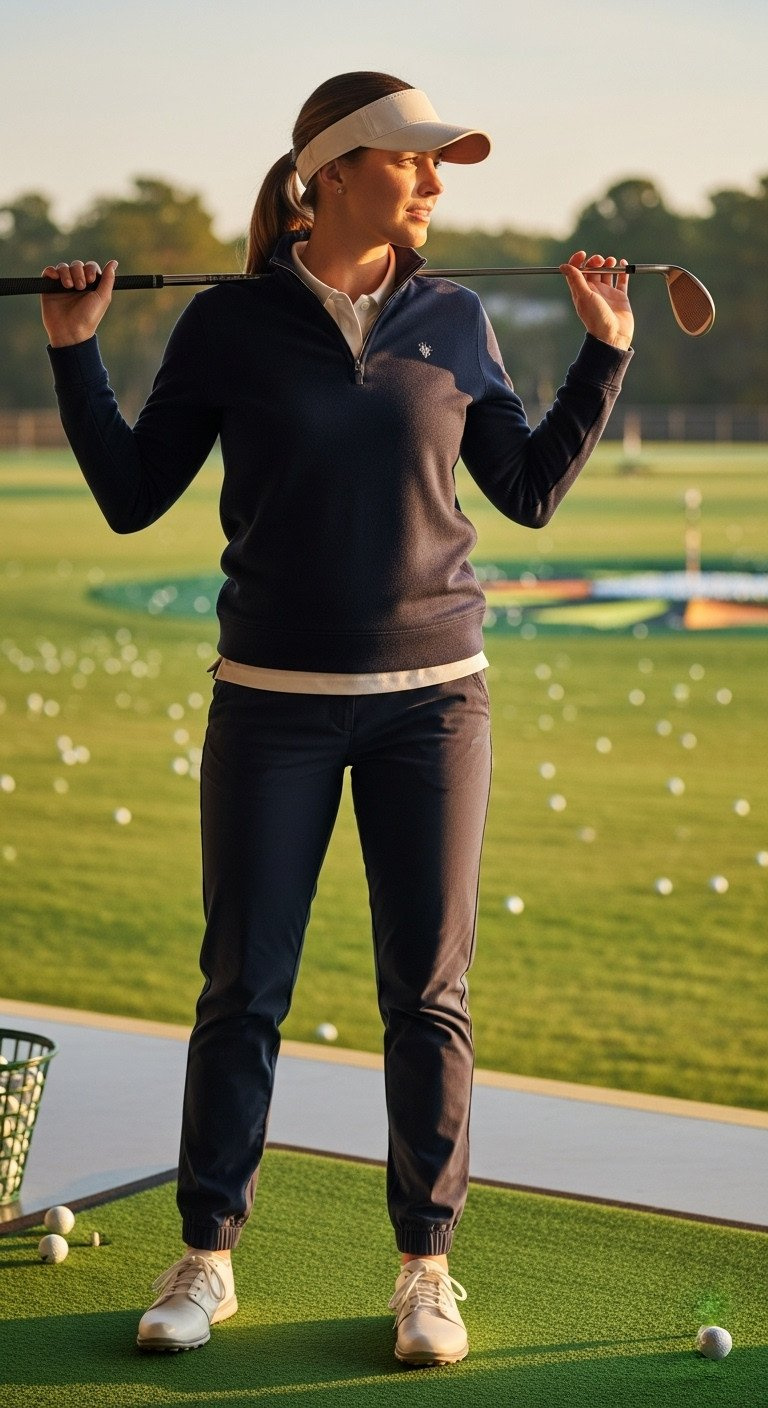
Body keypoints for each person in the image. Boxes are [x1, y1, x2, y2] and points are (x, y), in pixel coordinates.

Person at [41, 70, 633, 1368]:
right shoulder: (229, 326)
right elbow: (137, 494)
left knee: (429, 995)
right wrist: (76, 352)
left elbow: (525, 491)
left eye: (438, 168)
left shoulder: (459, 317)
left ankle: (427, 1272)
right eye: (415, 162)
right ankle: (208, 1258)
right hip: (272, 709)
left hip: (435, 707)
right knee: (242, 987)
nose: (433, 184)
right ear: (336, 172)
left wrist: (604, 351)